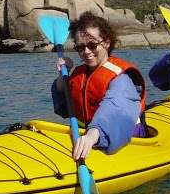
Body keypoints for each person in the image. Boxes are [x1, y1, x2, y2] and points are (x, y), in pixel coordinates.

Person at [51, 11, 146, 160]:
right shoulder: (79, 73)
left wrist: (92, 135)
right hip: (86, 134)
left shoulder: (121, 78)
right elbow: (64, 96)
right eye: (80, 47)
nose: (86, 52)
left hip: (118, 134)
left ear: (106, 43)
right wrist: (63, 74)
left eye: (92, 45)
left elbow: (114, 106)